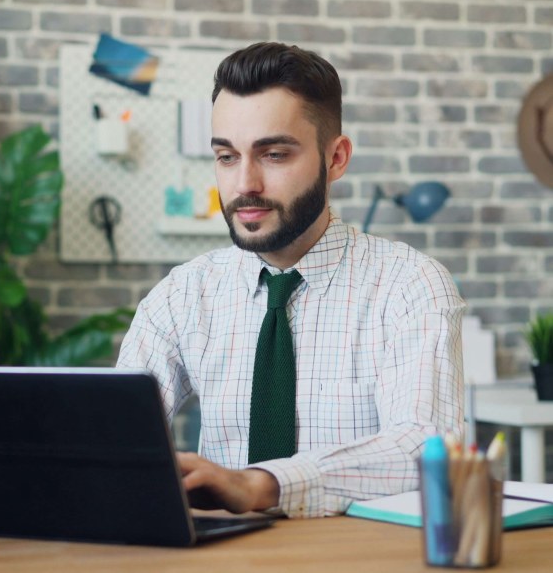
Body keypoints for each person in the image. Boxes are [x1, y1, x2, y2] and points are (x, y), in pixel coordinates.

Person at [117, 42, 465, 518]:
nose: (244, 185)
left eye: (274, 154)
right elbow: (114, 438)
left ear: (336, 158)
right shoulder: (182, 296)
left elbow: (425, 450)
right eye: (226, 157)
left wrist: (263, 486)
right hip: (220, 558)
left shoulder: (410, 286)